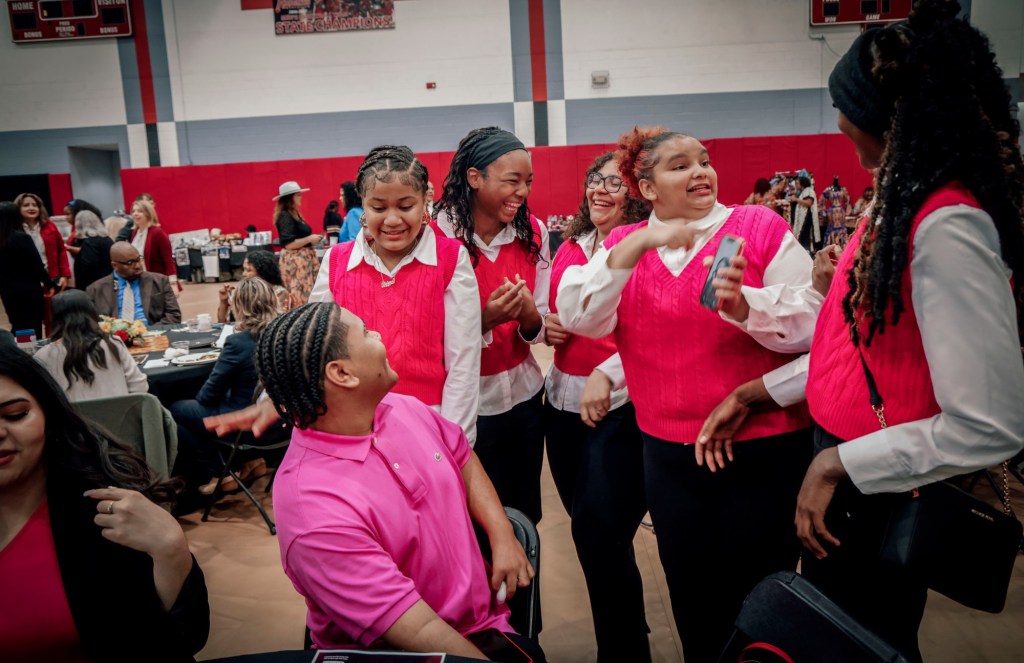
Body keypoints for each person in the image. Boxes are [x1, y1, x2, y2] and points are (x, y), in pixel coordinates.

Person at [698, 2, 1024, 659]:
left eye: (850, 123)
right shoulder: (901, 202)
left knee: (857, 641)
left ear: (895, 119)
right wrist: (757, 392)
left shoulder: (946, 225)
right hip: (853, 466)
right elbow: (853, 346)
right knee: (834, 631)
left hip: (874, 478)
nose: (844, 132)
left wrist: (836, 462)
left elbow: (989, 423)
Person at [556, 126, 820, 662]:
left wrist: (746, 306)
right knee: (693, 598)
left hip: (761, 450)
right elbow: (580, 316)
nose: (701, 171)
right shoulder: (622, 249)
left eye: (704, 160)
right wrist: (638, 242)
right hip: (669, 455)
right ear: (646, 187)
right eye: (680, 165)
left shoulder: (758, 226)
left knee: (760, 600)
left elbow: (815, 322)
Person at [250, 303, 544, 661]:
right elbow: (418, 631)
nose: (378, 335)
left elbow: (461, 456)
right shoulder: (313, 509)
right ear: (342, 373)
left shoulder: (399, 408)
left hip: (483, 623)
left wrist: (501, 532)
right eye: (366, 331)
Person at [0, 348, 209, 662]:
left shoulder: (104, 510)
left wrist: (172, 550)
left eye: (15, 415)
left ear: (48, 413)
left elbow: (178, 641)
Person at [543, 152, 652, 661]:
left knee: (600, 531)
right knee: (592, 533)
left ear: (639, 191)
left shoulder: (645, 247)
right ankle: (627, 636)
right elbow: (557, 312)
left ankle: (625, 649)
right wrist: (549, 323)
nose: (601, 190)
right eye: (596, 179)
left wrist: (609, 375)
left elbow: (655, 331)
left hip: (619, 404)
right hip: (560, 403)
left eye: (616, 182)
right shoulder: (568, 245)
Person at [309, 145, 481, 443]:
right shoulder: (336, 261)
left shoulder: (451, 259)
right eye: (378, 208)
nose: (391, 220)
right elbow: (314, 349)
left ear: (425, 201)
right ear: (362, 205)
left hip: (429, 421)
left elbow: (463, 362)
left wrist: (456, 440)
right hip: (352, 424)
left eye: (405, 207)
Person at [433, 126, 551, 525]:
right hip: (462, 408)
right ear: (475, 177)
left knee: (523, 518)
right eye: (512, 181)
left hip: (524, 402)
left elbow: (539, 326)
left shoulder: (532, 233)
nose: (522, 192)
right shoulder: (434, 237)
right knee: (474, 526)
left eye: (528, 182)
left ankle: (524, 591)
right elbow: (420, 333)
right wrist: (484, 320)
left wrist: (529, 316)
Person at [171, 278, 277, 498]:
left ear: (238, 307)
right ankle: (251, 462)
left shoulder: (239, 342)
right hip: (280, 426)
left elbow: (208, 396)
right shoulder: (284, 334)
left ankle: (219, 472)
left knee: (176, 409)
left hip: (246, 424)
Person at [33, 290, 148, 402]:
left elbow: (43, 400)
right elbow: (140, 387)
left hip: (72, 420)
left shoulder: (43, 356)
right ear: (91, 312)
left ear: (55, 317)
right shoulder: (112, 343)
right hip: (120, 418)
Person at [86, 242, 182, 325]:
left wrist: (149, 331)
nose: (138, 266)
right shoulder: (95, 290)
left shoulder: (159, 281)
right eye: (130, 262)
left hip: (154, 335)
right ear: (115, 265)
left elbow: (174, 315)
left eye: (138, 259)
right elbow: (92, 324)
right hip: (115, 341)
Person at [0, 201, 52, 338]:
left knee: (17, 325)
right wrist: (50, 284)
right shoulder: (22, 238)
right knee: (33, 326)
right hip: (29, 290)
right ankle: (33, 354)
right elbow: (37, 266)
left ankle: (20, 353)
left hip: (7, 291)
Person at [273, 181, 322, 309]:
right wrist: (309, 238)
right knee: (299, 294)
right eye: (298, 195)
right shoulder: (285, 216)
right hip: (295, 262)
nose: (301, 197)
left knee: (306, 292)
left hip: (303, 260)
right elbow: (289, 244)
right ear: (290, 198)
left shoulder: (293, 214)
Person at [217, 249, 286, 323]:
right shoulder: (244, 291)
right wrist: (223, 301)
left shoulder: (279, 294)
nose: (244, 274)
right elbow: (222, 322)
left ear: (263, 272)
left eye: (248, 270)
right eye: (244, 269)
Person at [128, 199, 180, 293]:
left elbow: (168, 260)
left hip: (157, 282)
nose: (135, 214)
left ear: (148, 214)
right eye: (133, 211)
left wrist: (173, 284)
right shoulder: (135, 233)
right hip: (140, 281)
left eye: (140, 211)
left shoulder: (157, 233)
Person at [68, 210, 114, 290]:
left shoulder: (89, 243)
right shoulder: (108, 239)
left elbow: (88, 268)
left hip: (95, 288)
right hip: (110, 284)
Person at [789, 175, 820, 253]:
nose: (796, 185)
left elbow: (809, 203)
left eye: (797, 183)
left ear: (802, 183)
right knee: (802, 239)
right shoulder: (803, 192)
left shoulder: (809, 191)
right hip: (802, 222)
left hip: (807, 221)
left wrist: (796, 199)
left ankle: (807, 254)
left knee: (806, 240)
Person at [819, 175, 852, 247]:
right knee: (831, 229)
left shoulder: (843, 189)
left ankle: (842, 246)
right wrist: (823, 213)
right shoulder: (828, 190)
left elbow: (848, 201)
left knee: (842, 229)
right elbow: (821, 201)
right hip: (832, 213)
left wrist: (847, 211)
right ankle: (832, 247)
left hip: (841, 212)